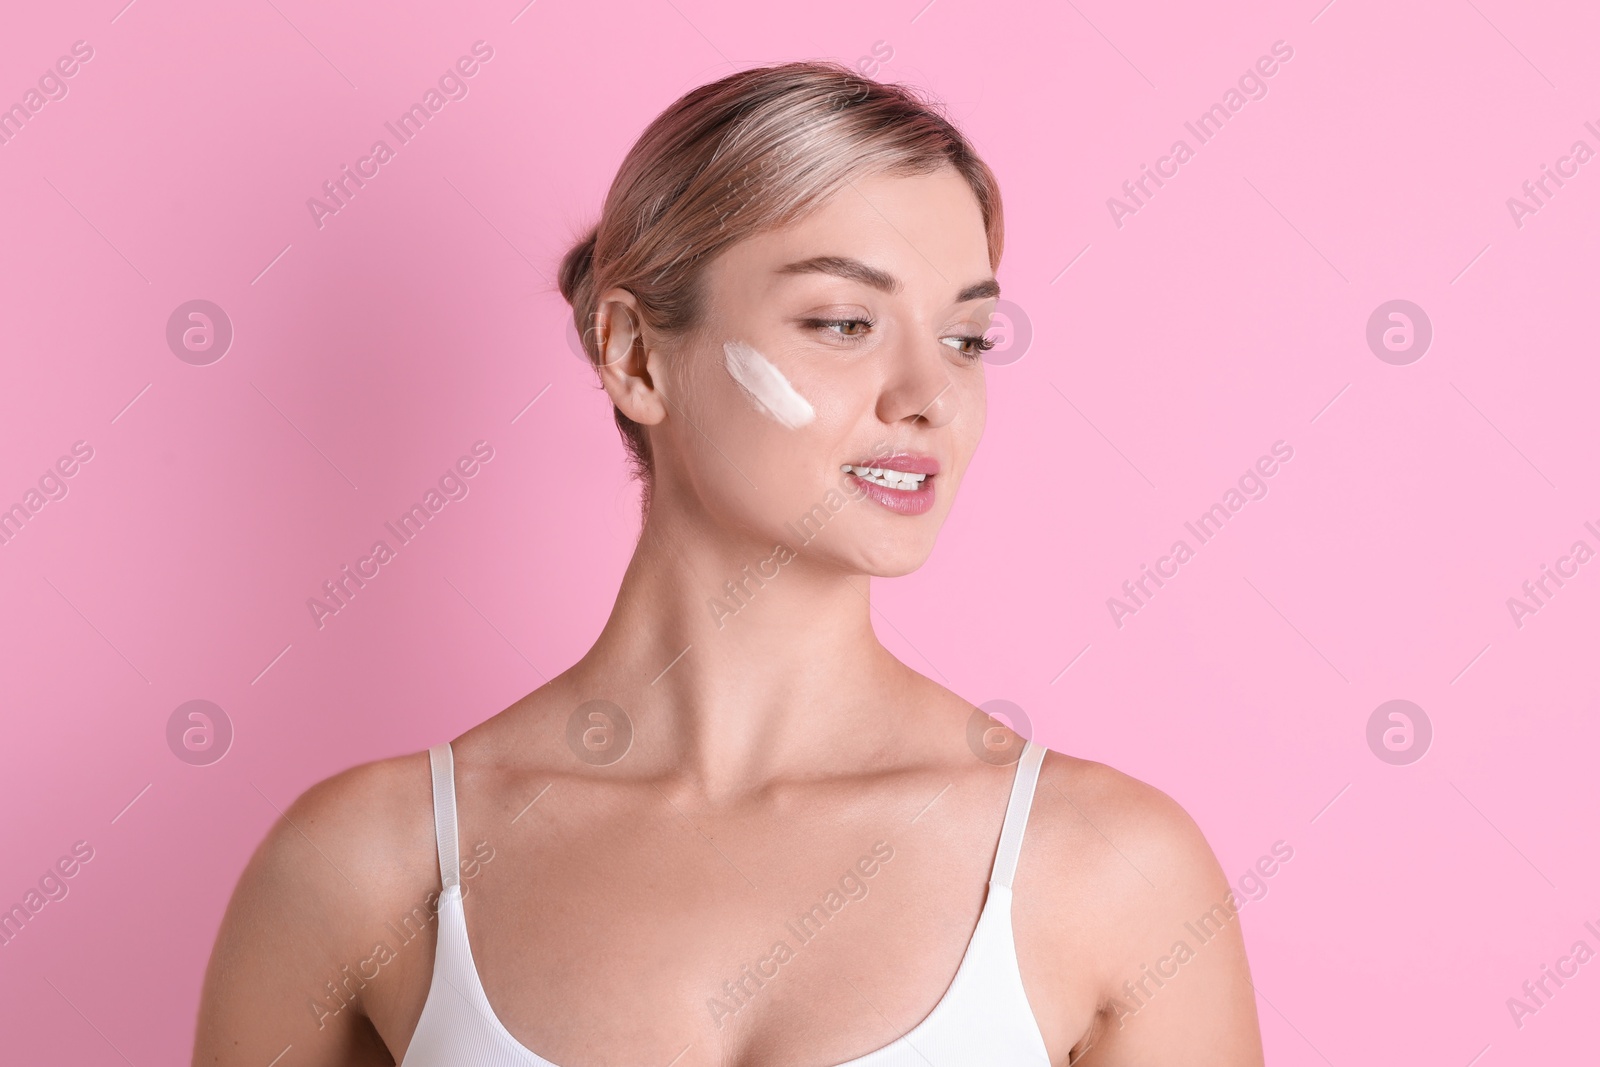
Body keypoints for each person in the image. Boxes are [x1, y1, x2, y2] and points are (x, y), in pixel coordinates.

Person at [193, 60, 1264, 1066]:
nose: (927, 395)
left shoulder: (1113, 870)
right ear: (635, 355)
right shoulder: (366, 868)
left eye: (967, 339)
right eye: (844, 321)